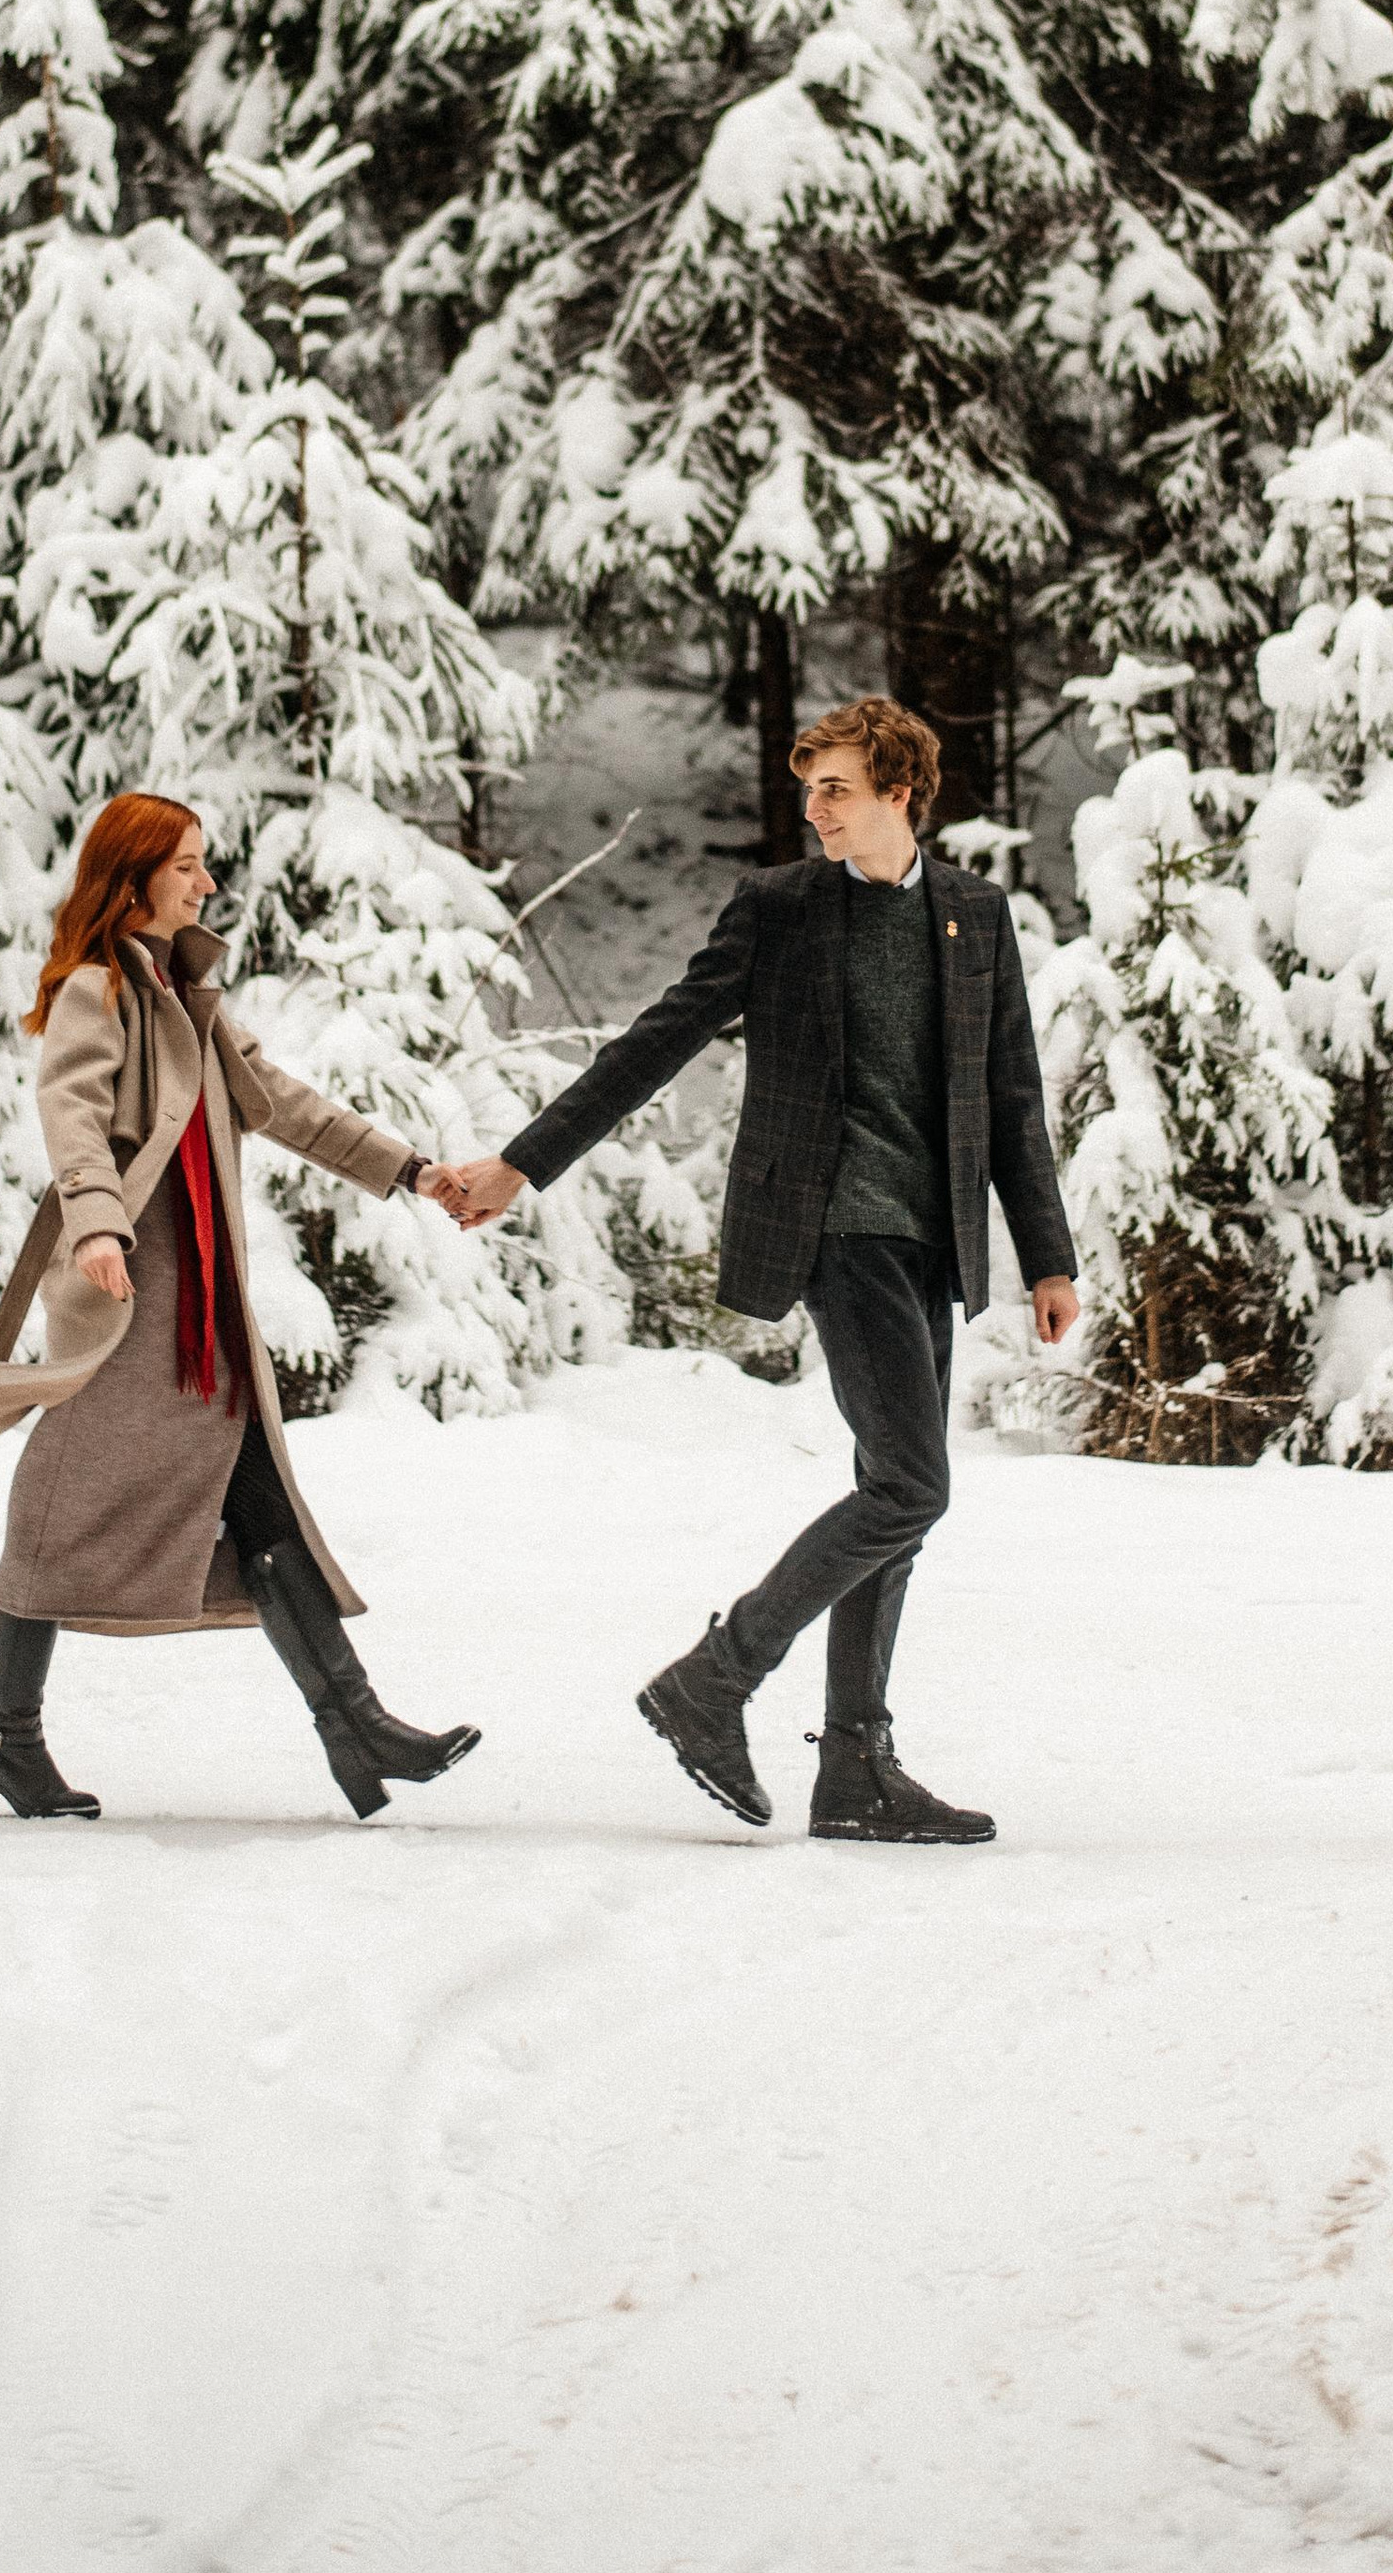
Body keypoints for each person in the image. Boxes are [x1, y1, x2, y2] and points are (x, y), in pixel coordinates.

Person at [440, 697, 1079, 1845]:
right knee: (910, 1486)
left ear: (898, 791)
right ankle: (716, 1678)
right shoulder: (780, 908)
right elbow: (658, 1040)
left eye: (836, 788)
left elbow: (1010, 1094)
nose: (814, 809)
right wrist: (521, 1165)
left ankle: (855, 1770)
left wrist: (1047, 1256)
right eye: (809, 790)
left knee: (895, 1499)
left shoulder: (971, 916)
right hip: (833, 1228)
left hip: (929, 1238)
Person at [0, 792, 479, 1823]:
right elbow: (72, 1114)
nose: (207, 883)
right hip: (126, 1298)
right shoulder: (98, 992)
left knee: (256, 1496)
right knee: (58, 1508)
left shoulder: (190, 998)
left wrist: (409, 1169)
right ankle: (6, 1735)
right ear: (132, 879)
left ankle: (352, 1728)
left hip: (199, 1310)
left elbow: (286, 1105)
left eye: (204, 865)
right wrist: (96, 1225)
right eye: (187, 865)